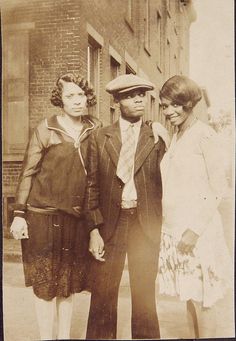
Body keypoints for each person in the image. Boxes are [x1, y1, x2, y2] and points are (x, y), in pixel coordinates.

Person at [10, 73, 100, 340]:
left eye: (80, 95)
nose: (76, 101)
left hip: (75, 218)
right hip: (42, 218)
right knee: (45, 285)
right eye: (70, 95)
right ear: (60, 99)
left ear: (87, 98)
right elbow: (28, 172)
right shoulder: (46, 128)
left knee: (68, 285)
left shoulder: (95, 127)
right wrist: (19, 214)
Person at [84, 74, 166, 339]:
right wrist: (94, 229)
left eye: (141, 94)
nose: (139, 99)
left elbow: (168, 181)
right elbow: (91, 186)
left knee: (144, 297)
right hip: (110, 224)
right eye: (131, 95)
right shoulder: (99, 137)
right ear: (117, 101)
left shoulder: (155, 136)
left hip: (145, 226)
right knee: (103, 297)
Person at [158, 75, 233, 338]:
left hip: (197, 233)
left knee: (204, 300)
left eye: (176, 105)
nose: (170, 112)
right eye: (165, 106)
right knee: (189, 297)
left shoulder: (205, 135)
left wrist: (195, 230)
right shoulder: (176, 136)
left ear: (189, 103)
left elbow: (217, 189)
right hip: (176, 231)